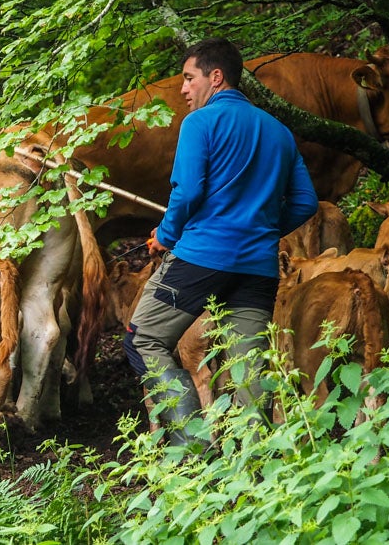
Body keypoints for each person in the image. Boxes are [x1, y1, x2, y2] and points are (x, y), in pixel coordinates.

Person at [124, 37, 318, 446]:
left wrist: (166, 235)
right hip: (257, 266)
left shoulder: (199, 124)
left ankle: (193, 450)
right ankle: (257, 468)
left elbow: (189, 190)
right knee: (247, 366)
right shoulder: (279, 131)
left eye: (189, 78)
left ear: (216, 77)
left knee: (142, 339)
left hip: (201, 259)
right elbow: (305, 202)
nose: (183, 89)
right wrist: (262, 230)